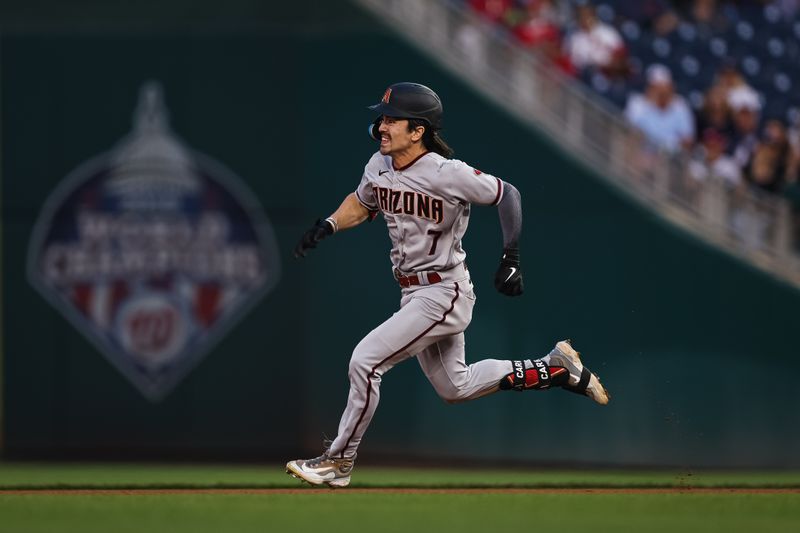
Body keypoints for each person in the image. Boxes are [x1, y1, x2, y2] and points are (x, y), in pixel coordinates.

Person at [285, 82, 610, 488]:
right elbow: (363, 201)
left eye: (391, 119)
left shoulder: (446, 172)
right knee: (455, 387)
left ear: (417, 130)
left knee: (365, 361)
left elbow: (508, 194)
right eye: (382, 118)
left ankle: (339, 462)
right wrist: (330, 224)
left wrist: (511, 256)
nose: (381, 126)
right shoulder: (378, 165)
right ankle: (554, 368)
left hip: (443, 291)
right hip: (412, 291)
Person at [624, 64, 695, 153]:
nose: (661, 92)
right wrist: (650, 104)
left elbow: (688, 140)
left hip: (671, 157)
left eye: (664, 87)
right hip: (642, 153)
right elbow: (630, 131)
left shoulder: (680, 105)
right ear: (649, 87)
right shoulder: (637, 103)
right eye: (657, 87)